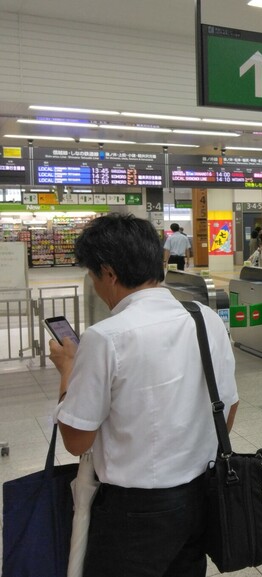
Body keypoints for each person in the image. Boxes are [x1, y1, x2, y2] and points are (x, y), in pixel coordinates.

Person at [48, 214, 239, 577]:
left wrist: (67, 370)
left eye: (91, 275)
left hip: (133, 512)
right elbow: (229, 406)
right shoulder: (205, 319)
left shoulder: (106, 337)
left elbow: (75, 439)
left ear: (109, 273)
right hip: (201, 496)